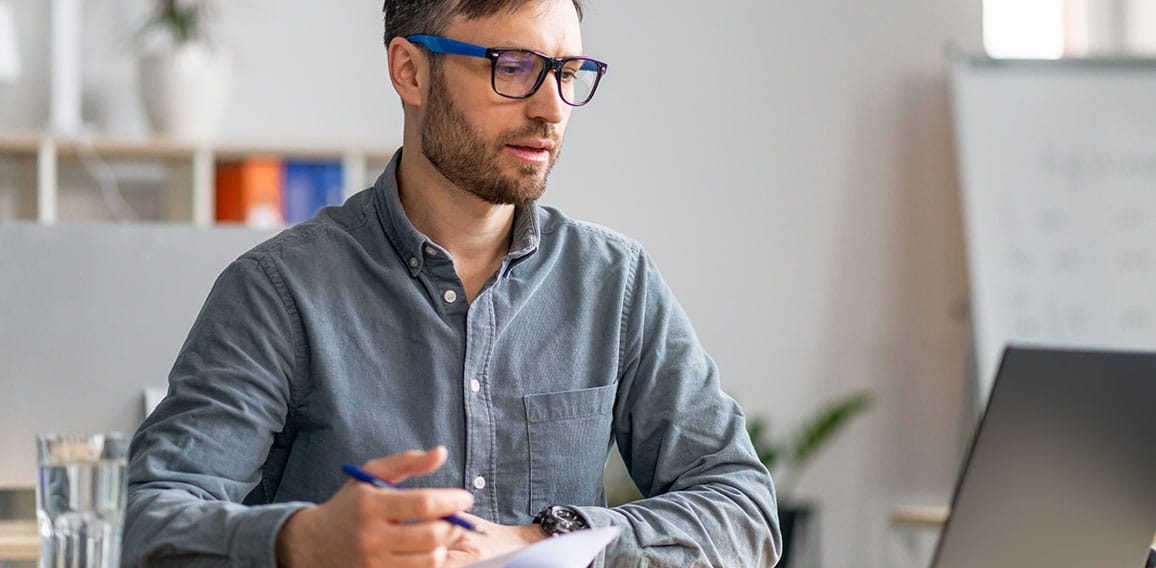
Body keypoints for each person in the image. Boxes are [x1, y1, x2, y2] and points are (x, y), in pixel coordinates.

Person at [123, 1, 782, 566]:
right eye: (514, 67)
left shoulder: (615, 284)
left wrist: (539, 540)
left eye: (568, 72)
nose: (553, 109)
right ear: (410, 71)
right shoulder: (278, 292)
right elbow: (144, 519)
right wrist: (302, 541)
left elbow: (743, 510)